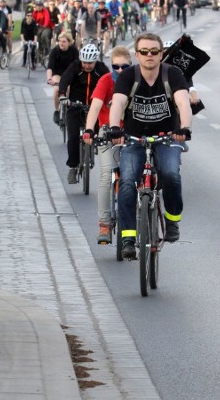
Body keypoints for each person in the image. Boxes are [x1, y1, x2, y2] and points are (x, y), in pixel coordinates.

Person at [108, 33, 193, 258]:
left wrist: (183, 128)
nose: (149, 55)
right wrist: (114, 129)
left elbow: (183, 102)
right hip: (134, 139)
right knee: (126, 183)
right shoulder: (128, 76)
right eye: (144, 51)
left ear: (161, 54)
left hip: (167, 137)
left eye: (154, 51)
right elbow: (118, 103)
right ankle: (128, 237)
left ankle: (172, 220)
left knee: (171, 175)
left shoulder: (172, 74)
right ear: (137, 55)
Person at [84, 46, 133, 242]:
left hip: (132, 133)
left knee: (134, 177)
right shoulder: (105, 81)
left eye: (124, 66)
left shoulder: (136, 80)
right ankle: (104, 224)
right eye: (116, 66)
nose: (120, 70)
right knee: (106, 175)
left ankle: (139, 213)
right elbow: (95, 106)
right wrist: (89, 130)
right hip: (108, 133)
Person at [59, 44, 110, 184]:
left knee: (100, 132)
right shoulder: (75, 67)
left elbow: (110, 83)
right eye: (85, 63)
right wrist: (63, 95)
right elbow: (64, 79)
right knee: (74, 136)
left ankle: (94, 147)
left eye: (90, 63)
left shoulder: (101, 69)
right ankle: (73, 167)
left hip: (96, 105)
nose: (87, 66)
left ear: (96, 61)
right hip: (76, 104)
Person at [46, 32, 81, 123]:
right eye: (60, 41)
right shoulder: (55, 51)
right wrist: (49, 78)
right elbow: (50, 67)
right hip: (57, 74)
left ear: (69, 42)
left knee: (69, 89)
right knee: (58, 89)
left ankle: (69, 109)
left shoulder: (74, 51)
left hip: (69, 74)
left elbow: (78, 65)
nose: (61, 43)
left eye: (64, 41)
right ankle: (57, 111)